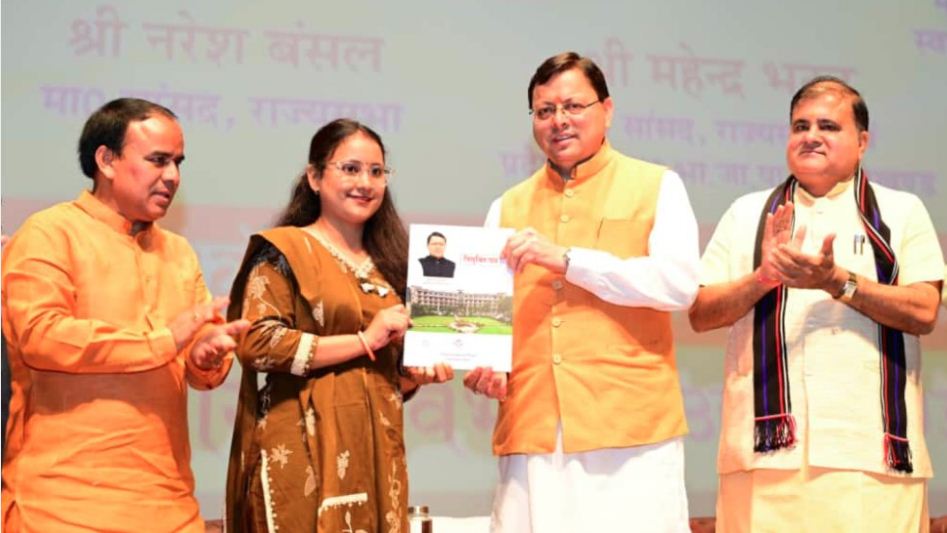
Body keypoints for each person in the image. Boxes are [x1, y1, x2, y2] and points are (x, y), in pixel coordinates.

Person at [689, 77, 943, 532]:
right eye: (800, 126)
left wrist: (837, 281)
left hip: (872, 460)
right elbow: (701, 312)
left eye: (828, 126)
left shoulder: (901, 211)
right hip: (764, 462)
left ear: (862, 142)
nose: (811, 136)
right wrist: (762, 278)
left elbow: (924, 311)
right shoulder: (747, 212)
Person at [464, 52, 700, 532]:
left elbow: (679, 285)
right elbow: (487, 322)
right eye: (545, 111)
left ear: (607, 110)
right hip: (532, 428)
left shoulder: (658, 185)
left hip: (629, 431)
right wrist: (485, 365)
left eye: (573, 106)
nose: (559, 120)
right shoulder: (505, 207)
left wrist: (570, 260)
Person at [0, 98, 250, 532]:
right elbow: (42, 338)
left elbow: (196, 360)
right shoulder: (49, 232)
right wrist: (163, 341)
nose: (172, 176)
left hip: (170, 504)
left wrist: (205, 357)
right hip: (62, 504)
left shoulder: (178, 252)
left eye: (178, 163)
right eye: (158, 160)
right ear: (106, 160)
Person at [225, 118, 453, 532]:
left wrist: (414, 377)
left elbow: (379, 379)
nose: (365, 182)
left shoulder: (394, 264)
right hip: (301, 451)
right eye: (350, 169)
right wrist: (365, 339)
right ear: (314, 177)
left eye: (376, 171)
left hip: (375, 453)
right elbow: (257, 342)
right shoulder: (284, 250)